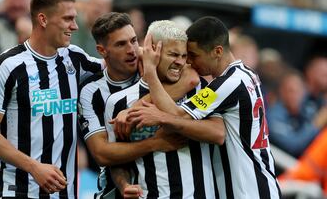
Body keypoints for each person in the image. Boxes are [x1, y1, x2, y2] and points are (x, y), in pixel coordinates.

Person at [127, 16, 281, 198]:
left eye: (194, 55)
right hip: (259, 186)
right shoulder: (244, 75)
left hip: (248, 191)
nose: (189, 62)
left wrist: (151, 73)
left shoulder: (227, 84)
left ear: (217, 51)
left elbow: (178, 115)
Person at [0, 0, 104, 198]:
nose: (75, 26)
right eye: (67, 18)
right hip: (18, 191)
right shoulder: (6, 66)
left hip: (65, 193)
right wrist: (33, 166)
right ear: (43, 19)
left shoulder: (74, 58)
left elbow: (120, 66)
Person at [79, 13, 196, 199]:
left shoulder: (152, 66)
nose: (132, 50)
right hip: (116, 187)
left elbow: (191, 76)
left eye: (133, 41)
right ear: (102, 51)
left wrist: (134, 107)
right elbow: (102, 153)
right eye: (120, 44)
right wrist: (154, 143)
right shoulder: (91, 91)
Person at [105, 20, 225, 199]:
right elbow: (116, 159)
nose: (180, 62)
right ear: (153, 51)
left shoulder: (203, 89)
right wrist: (124, 185)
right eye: (173, 54)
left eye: (184, 56)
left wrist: (162, 118)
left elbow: (218, 134)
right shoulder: (118, 102)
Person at [267, 69, 327, 158]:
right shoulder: (273, 115)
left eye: (299, 90)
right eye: (291, 91)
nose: (295, 95)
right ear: (281, 92)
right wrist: (316, 124)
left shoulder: (306, 108)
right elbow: (293, 145)